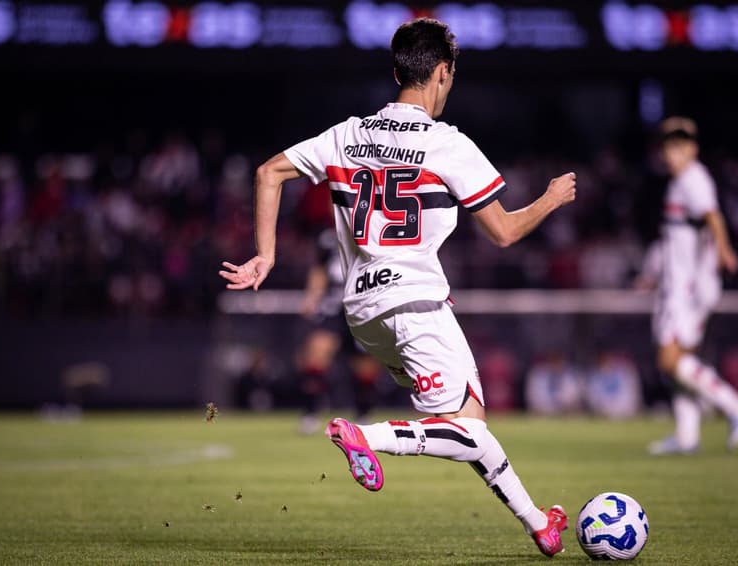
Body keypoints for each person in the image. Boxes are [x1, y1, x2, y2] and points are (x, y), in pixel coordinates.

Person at [219, 18, 576, 557]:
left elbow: (269, 172)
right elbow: (504, 232)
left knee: (470, 424)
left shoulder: (347, 134)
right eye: (450, 77)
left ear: (395, 71)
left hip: (362, 310)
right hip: (414, 300)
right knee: (464, 428)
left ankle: (538, 526)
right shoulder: (446, 144)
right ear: (442, 72)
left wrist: (265, 257)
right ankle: (367, 435)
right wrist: (549, 200)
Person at [646, 117, 738, 455]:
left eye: (679, 146)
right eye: (668, 147)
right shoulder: (683, 180)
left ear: (693, 149)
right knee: (682, 362)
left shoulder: (693, 180)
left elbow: (713, 216)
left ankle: (736, 405)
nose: (672, 153)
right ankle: (687, 436)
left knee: (668, 361)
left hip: (688, 288)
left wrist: (724, 250)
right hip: (685, 285)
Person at [297, 225, 384, 434]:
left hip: (363, 301)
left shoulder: (375, 229)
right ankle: (312, 412)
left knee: (364, 364)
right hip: (333, 303)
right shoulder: (327, 236)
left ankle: (364, 412)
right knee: (317, 352)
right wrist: (311, 297)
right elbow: (319, 269)